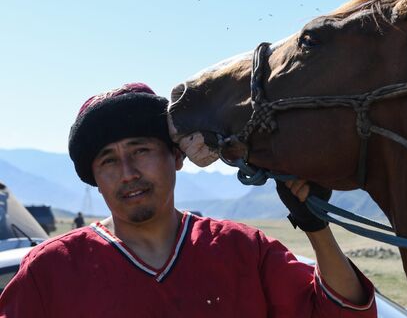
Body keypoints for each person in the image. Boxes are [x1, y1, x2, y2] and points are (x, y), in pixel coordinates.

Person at [0, 83, 377, 317]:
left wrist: (316, 227)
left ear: (176, 157)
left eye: (141, 150)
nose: (128, 172)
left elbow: (341, 314)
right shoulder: (49, 272)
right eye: (109, 160)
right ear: (95, 178)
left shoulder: (242, 251)